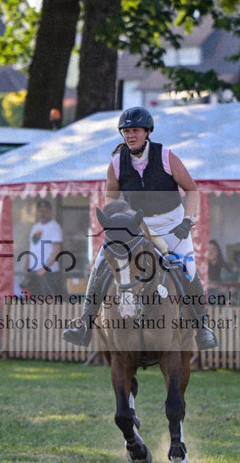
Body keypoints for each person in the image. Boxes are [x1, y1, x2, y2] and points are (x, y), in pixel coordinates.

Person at [62, 106, 217, 349]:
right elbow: (110, 199)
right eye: (126, 131)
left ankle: (202, 326)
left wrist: (187, 221)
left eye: (135, 130)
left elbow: (192, 190)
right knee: (101, 264)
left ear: (147, 132)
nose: (130, 135)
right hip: (138, 226)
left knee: (188, 268)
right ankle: (84, 323)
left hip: (171, 225)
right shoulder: (116, 164)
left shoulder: (165, 156)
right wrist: (124, 212)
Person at [24, 199, 66, 297]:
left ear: (50, 212)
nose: (43, 214)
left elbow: (56, 249)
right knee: (34, 297)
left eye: (45, 211)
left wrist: (45, 268)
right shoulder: (35, 227)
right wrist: (26, 266)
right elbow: (30, 248)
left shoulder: (54, 226)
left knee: (48, 298)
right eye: (41, 211)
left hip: (48, 271)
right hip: (34, 270)